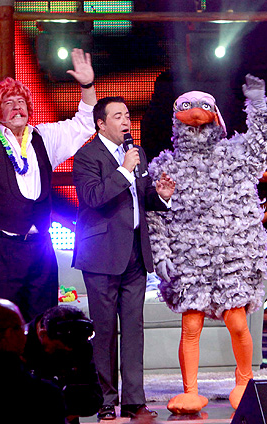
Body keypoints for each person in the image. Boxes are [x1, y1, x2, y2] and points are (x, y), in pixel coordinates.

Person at [146, 74, 267, 414]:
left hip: (233, 254)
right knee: (191, 324)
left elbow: (265, 143)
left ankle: (244, 382)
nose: (196, 122)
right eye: (188, 115)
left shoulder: (235, 155)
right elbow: (155, 214)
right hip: (190, 257)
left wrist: (259, 103)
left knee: (237, 321)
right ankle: (190, 391)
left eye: (202, 114)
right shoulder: (166, 165)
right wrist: (161, 254)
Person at [0, 50, 97, 322]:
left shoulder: (44, 138)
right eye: (9, 103)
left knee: (44, 324)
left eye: (21, 101)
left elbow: (85, 124)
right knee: (1, 327)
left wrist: (87, 86)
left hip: (41, 249)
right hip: (0, 252)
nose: (17, 107)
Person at [72, 96, 175, 420]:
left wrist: (161, 196)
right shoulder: (87, 156)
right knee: (104, 331)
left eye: (127, 115)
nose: (126, 121)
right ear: (101, 124)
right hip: (101, 255)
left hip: (135, 252)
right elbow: (93, 197)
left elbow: (141, 198)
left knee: (133, 329)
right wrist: (124, 169)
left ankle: (133, 401)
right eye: (117, 116)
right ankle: (105, 400)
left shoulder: (136, 152)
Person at [22, 304, 103, 424]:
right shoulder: (19, 344)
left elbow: (94, 397)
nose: (67, 353)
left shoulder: (80, 345)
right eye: (58, 348)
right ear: (43, 333)